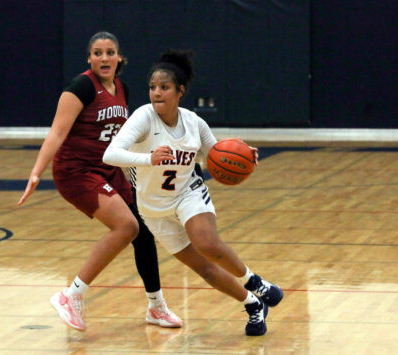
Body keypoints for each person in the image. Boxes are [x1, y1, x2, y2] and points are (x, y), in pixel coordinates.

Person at [103, 49, 283, 336]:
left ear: (180, 91)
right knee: (204, 268)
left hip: (188, 193)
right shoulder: (143, 117)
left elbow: (217, 154)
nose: (157, 93)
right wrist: (148, 158)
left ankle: (256, 282)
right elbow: (110, 155)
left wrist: (243, 155)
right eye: (152, 87)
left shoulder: (194, 123)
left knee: (206, 242)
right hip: (153, 209)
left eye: (164, 87)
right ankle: (253, 305)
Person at [17, 32, 181, 331]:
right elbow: (57, 132)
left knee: (143, 232)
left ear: (119, 57)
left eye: (109, 52)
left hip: (108, 168)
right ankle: (71, 295)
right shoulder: (80, 87)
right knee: (126, 226)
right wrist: (36, 171)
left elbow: (122, 138)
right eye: (97, 53)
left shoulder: (122, 88)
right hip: (76, 172)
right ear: (89, 58)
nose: (104, 58)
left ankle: (156, 307)